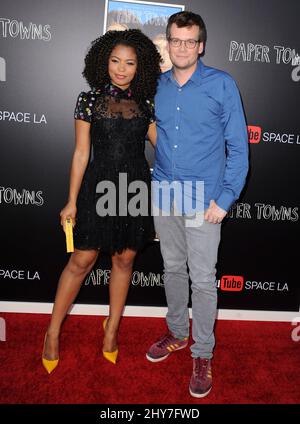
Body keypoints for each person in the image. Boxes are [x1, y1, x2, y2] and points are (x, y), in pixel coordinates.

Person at [42, 29, 161, 373]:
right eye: (114, 61)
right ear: (103, 62)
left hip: (135, 188)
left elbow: (166, 149)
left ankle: (111, 330)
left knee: (124, 261)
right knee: (82, 260)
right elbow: (81, 154)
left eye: (129, 63)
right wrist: (71, 201)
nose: (121, 69)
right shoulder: (88, 100)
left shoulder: (148, 103)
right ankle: (52, 332)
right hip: (99, 187)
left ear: (141, 67)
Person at [146, 11, 249, 398]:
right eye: (176, 40)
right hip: (165, 192)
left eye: (190, 41)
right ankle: (176, 332)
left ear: (201, 45)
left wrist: (225, 198)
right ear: (167, 43)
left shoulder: (222, 85)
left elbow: (238, 147)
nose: (183, 47)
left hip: (205, 198)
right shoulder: (158, 86)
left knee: (203, 279)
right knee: (172, 269)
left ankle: (202, 352)